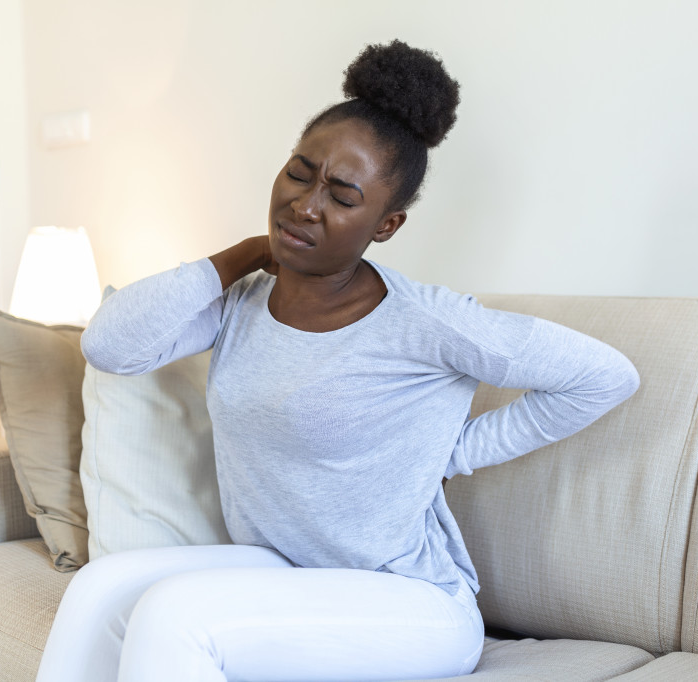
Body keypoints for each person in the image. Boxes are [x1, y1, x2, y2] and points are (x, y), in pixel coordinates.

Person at [35, 39, 639, 682]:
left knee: (175, 617)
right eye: (300, 172)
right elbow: (110, 347)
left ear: (387, 225)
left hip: (413, 603)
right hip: (287, 569)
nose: (306, 205)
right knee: (98, 591)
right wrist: (239, 256)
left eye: (343, 197)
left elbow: (605, 376)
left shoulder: (426, 322)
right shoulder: (243, 302)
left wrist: (452, 452)